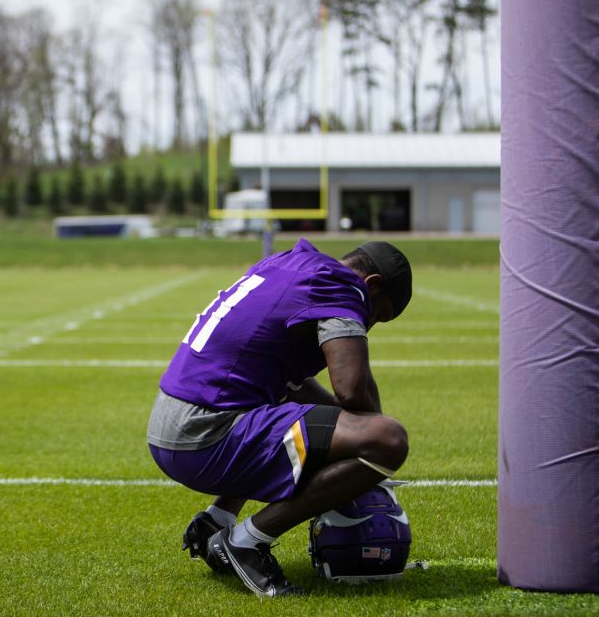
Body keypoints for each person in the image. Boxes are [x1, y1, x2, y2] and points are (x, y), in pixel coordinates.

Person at [146, 238, 413, 597]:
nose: (372, 322)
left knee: (292, 413)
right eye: (379, 314)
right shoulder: (340, 284)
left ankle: (217, 521)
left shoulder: (287, 265)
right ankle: (247, 542)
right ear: (372, 283)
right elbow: (353, 392)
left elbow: (289, 386)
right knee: (387, 440)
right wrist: (369, 432)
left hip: (175, 424)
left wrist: (349, 427)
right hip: (205, 433)